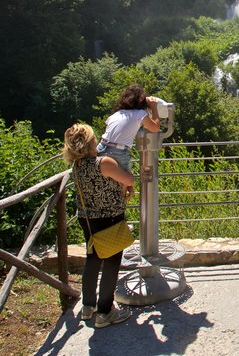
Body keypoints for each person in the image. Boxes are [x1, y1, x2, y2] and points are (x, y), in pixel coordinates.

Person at [63, 123, 135, 328]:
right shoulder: (104, 163)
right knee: (111, 264)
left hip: (87, 219)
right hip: (109, 218)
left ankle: (88, 307)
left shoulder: (77, 166)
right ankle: (105, 312)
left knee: (93, 259)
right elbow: (128, 178)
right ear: (90, 142)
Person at [98, 84, 161, 172]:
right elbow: (155, 128)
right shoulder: (140, 114)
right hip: (118, 151)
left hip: (101, 147)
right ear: (141, 100)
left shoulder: (117, 114)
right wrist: (154, 107)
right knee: (127, 182)